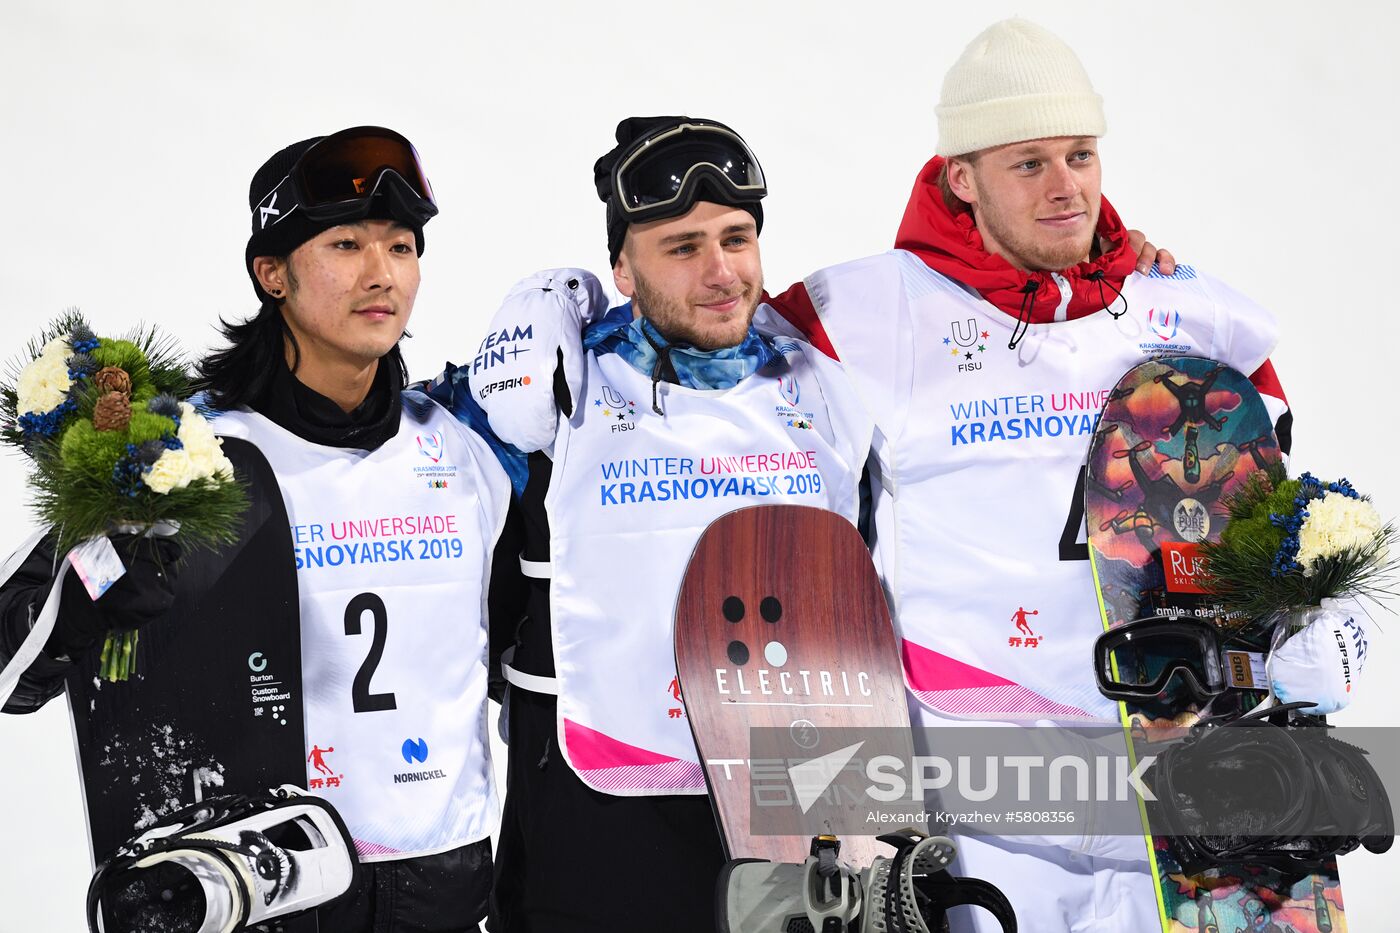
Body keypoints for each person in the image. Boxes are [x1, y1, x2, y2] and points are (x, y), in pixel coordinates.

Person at [476, 20, 1317, 933]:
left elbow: (1275, 478)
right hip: (987, 798)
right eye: (1028, 162)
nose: (1066, 183)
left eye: (1079, 154)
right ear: (962, 176)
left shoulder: (1188, 311)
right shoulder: (865, 314)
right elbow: (695, 335)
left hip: (1165, 762)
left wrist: (1326, 612)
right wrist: (549, 305)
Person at [0, 126, 512, 932]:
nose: (383, 275)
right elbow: (10, 663)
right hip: (263, 882)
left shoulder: (465, 450)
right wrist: (83, 601)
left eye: (403, 247)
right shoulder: (184, 455)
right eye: (345, 243)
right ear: (271, 272)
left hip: (445, 881)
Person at [430, 116, 876, 933]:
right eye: (682, 247)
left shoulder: (827, 377)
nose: (721, 271)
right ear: (623, 270)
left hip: (786, 807)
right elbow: (371, 435)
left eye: (736, 239)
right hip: (596, 817)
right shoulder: (552, 386)